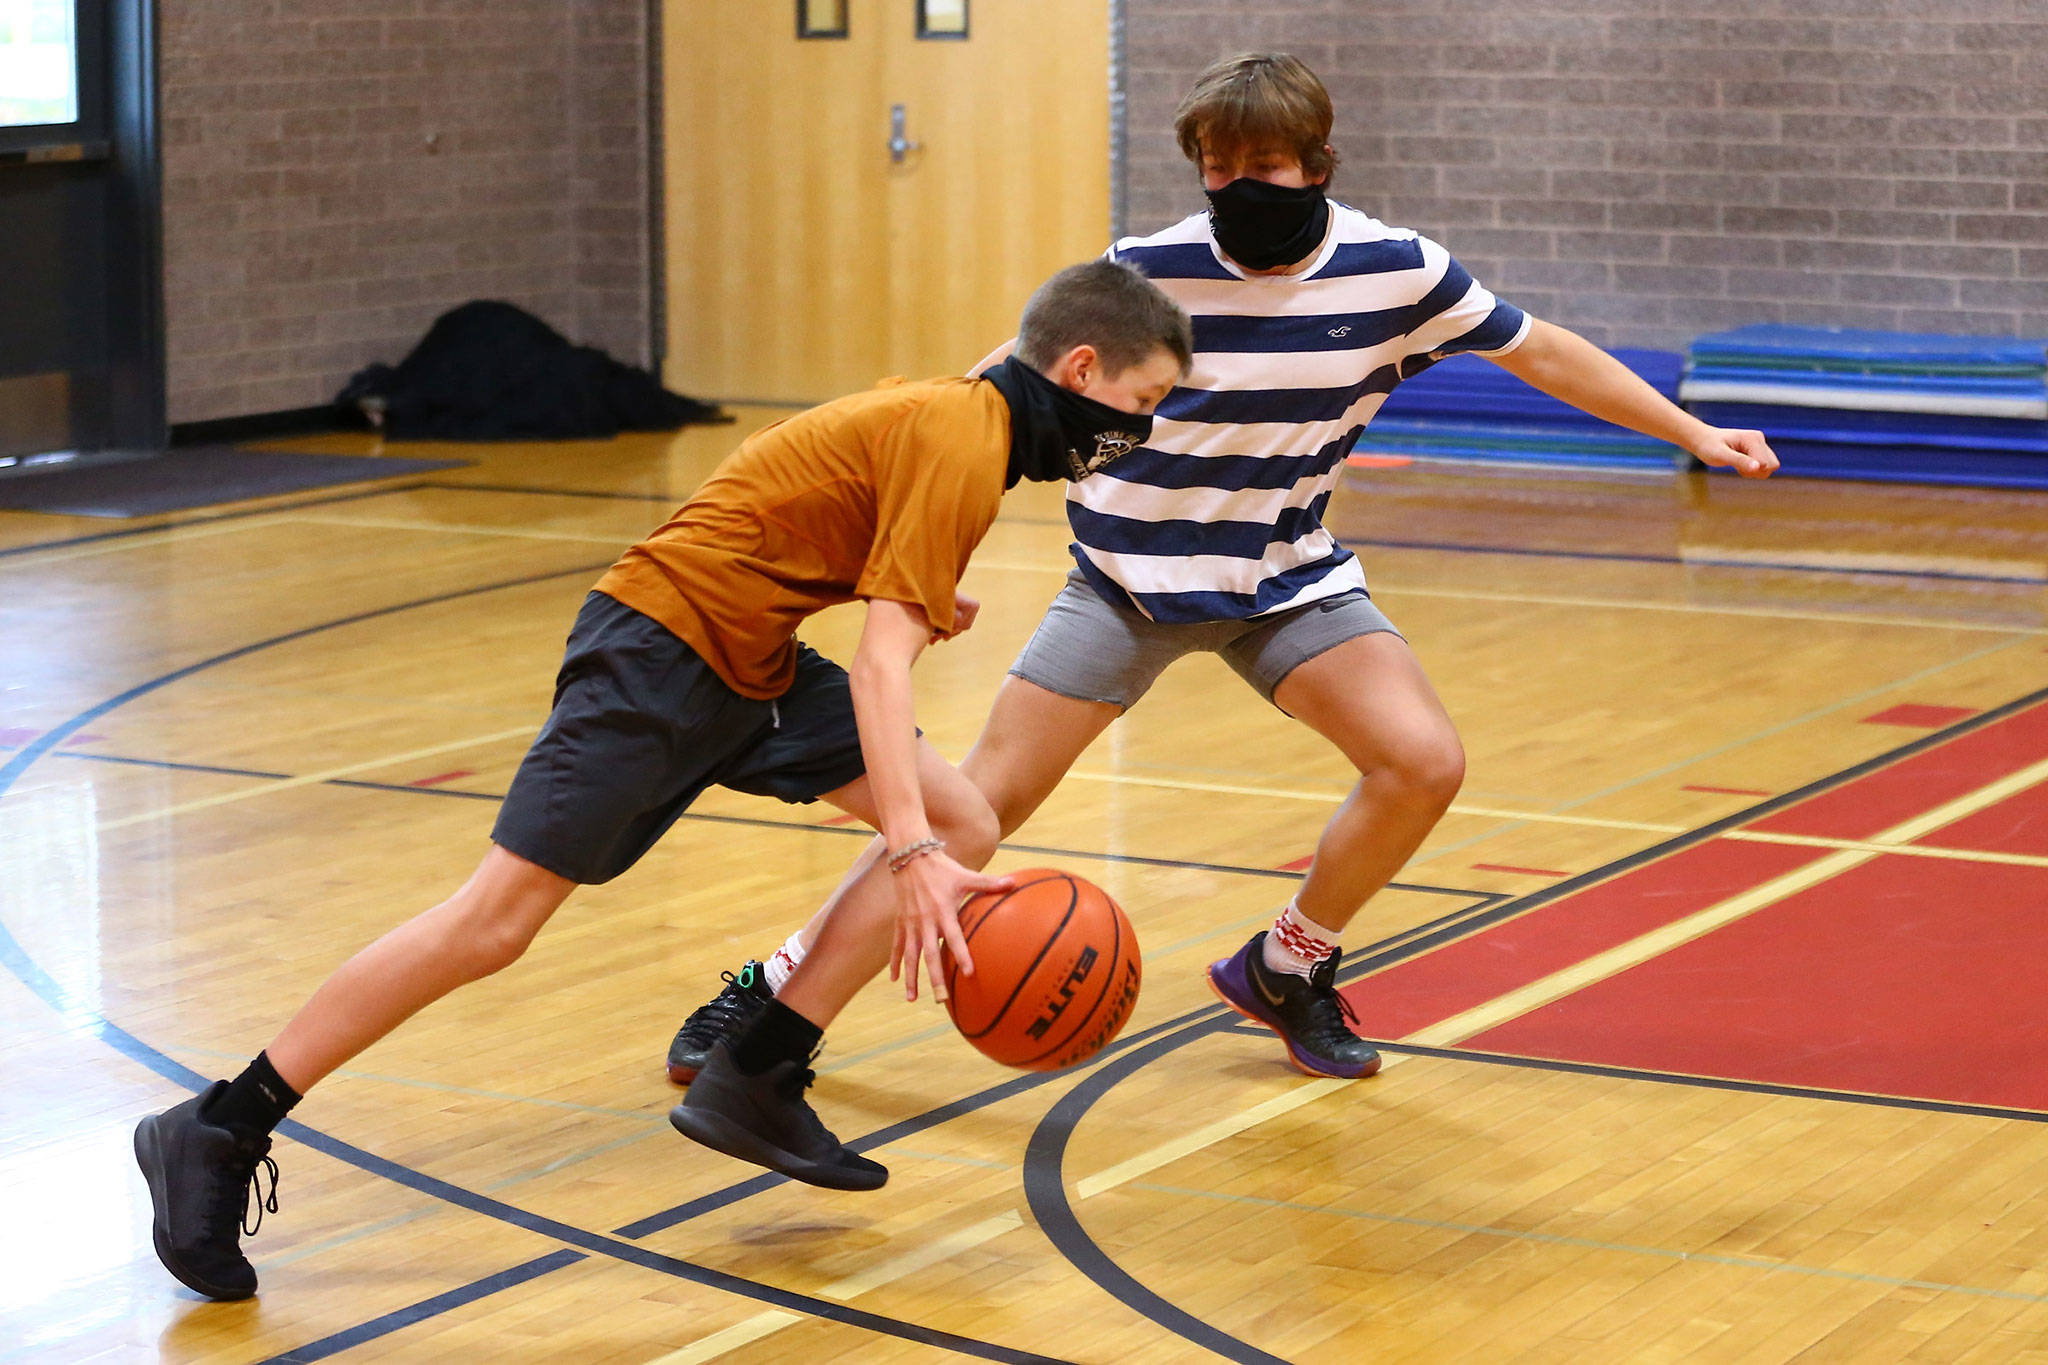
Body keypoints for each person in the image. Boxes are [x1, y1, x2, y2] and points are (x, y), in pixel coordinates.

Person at [664, 51, 1779, 1107]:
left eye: (1264, 166)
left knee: (1420, 761)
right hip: (1122, 587)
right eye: (1219, 166)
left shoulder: (1397, 271)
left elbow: (1537, 349)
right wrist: (901, 545)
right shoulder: (1140, 272)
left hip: (1285, 581)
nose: (1239, 185)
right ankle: (769, 999)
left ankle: (1287, 968)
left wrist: (1687, 429)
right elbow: (983, 405)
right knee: (967, 817)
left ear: (1315, 165)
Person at [130, 259, 1194, 1301]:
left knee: (964, 816)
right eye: (1139, 404)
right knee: (493, 924)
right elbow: (879, 665)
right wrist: (906, 853)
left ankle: (760, 1071)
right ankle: (221, 1122)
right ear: (1081, 368)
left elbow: (879, 495)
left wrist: (922, 642)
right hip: (658, 646)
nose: (1134, 433)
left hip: (750, 658)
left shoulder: (979, 406)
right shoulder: (967, 439)